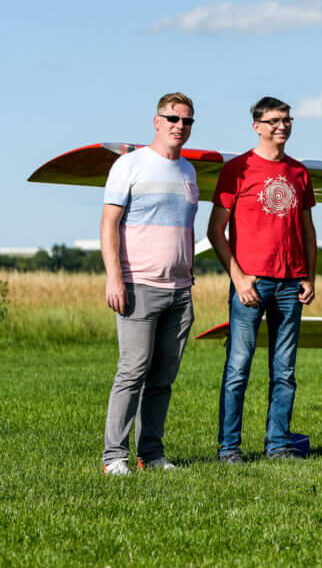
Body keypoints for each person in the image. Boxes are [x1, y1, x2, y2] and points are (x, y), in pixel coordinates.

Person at [208, 96, 317, 462]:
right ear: (257, 126)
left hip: (290, 284)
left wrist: (308, 276)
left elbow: (307, 230)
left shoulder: (299, 173)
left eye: (286, 120)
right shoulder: (237, 169)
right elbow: (215, 231)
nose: (281, 126)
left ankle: (278, 445)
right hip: (251, 284)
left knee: (285, 372)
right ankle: (228, 449)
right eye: (273, 121)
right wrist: (238, 279)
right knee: (238, 368)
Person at [100, 92, 199, 476]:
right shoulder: (130, 165)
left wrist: (187, 281)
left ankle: (152, 454)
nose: (180, 126)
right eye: (173, 119)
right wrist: (115, 279)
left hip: (180, 290)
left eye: (187, 121)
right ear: (156, 121)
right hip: (138, 285)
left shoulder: (188, 172)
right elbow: (109, 224)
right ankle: (114, 457)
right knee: (132, 371)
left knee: (162, 379)